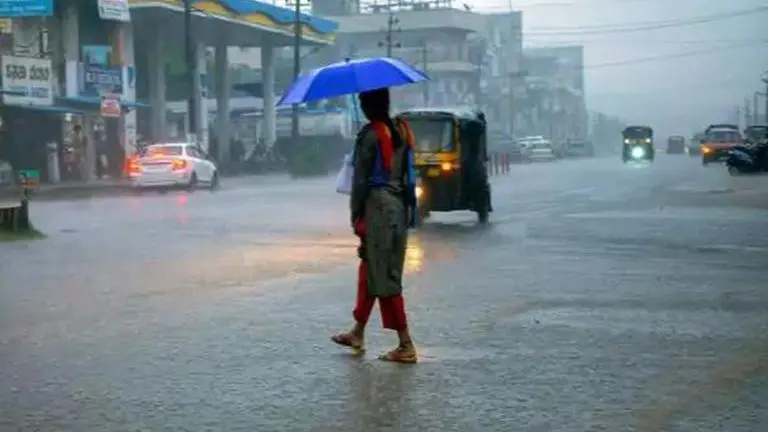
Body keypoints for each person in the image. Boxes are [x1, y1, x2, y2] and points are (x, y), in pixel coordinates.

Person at [330, 88, 419, 363]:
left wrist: (355, 215)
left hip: (378, 210)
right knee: (370, 269)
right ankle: (358, 331)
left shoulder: (369, 136)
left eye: (362, 101)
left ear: (369, 106)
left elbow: (359, 181)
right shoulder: (403, 130)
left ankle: (406, 344)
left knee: (385, 276)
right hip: (398, 208)